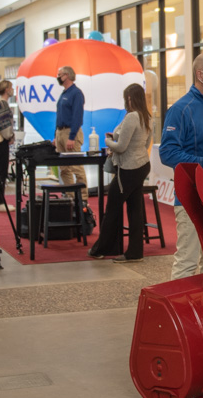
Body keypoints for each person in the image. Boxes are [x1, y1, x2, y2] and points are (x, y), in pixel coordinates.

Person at [159, 51, 203, 280]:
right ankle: (179, 313)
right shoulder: (181, 109)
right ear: (201, 74)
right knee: (188, 261)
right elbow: (167, 153)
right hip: (190, 197)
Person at [88, 83, 152, 262]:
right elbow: (144, 145)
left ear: (130, 98)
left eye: (126, 98)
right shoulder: (147, 117)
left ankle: (102, 249)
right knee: (135, 210)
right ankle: (134, 252)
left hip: (128, 169)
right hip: (142, 165)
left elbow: (122, 147)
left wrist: (108, 142)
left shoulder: (132, 117)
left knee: (113, 209)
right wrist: (117, 138)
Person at [55, 65, 87, 198]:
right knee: (64, 169)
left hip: (70, 133)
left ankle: (83, 198)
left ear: (67, 75)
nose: (57, 77)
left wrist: (72, 137)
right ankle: (70, 197)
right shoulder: (64, 93)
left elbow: (77, 116)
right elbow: (59, 115)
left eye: (59, 74)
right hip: (60, 132)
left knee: (76, 167)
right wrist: (55, 137)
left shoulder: (76, 93)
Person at [0, 80, 15, 211]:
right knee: (1, 170)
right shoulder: (3, 104)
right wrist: (10, 136)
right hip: (0, 142)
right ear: (6, 89)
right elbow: (4, 124)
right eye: (11, 87)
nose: (13, 89)